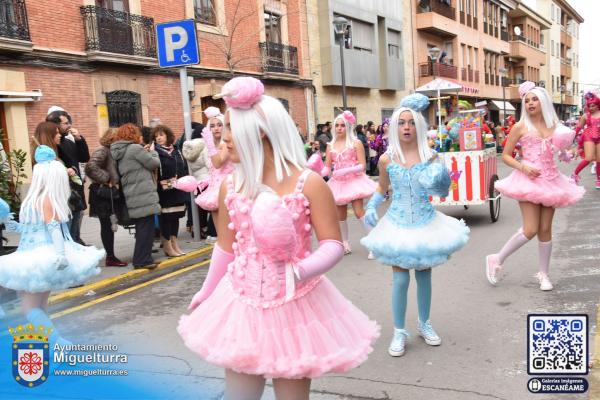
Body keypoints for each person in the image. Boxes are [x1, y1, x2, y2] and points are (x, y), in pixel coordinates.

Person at [178, 76, 379, 399]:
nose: (223, 137)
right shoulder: (231, 185)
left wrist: (299, 271)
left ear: (258, 130)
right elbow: (227, 248)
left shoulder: (310, 183)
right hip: (242, 304)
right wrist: (208, 289)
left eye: (229, 127)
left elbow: (332, 244)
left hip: (295, 306)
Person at [361, 93, 469, 357]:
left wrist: (443, 180)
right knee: (399, 279)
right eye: (401, 122)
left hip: (425, 222)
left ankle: (424, 323)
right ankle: (399, 331)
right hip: (397, 224)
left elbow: (442, 191)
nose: (406, 127)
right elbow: (382, 188)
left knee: (424, 276)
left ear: (418, 126)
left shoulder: (430, 156)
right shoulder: (387, 159)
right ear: (395, 127)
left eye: (411, 122)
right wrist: (371, 205)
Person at [486, 82, 585, 291]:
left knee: (545, 229)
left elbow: (560, 151)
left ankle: (544, 274)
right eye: (527, 100)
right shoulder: (520, 127)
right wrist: (523, 167)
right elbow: (505, 156)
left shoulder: (555, 126)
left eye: (534, 99)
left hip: (551, 180)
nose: (530, 103)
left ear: (543, 101)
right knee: (530, 229)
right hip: (527, 180)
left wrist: (568, 154)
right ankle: (496, 258)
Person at [0, 145, 104, 345]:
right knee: (36, 308)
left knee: (30, 308)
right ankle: (54, 345)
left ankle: (58, 344)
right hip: (43, 257)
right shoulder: (47, 200)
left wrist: (59, 254)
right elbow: (50, 229)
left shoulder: (31, 200)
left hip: (34, 258)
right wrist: (60, 254)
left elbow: (46, 229)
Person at [322, 111, 377, 257]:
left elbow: (362, 165)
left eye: (342, 125)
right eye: (337, 125)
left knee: (359, 212)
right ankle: (345, 243)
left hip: (354, 181)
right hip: (338, 184)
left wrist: (345, 170)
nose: (339, 128)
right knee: (341, 215)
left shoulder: (356, 143)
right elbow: (327, 167)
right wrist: (317, 171)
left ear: (347, 127)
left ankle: (373, 243)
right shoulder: (330, 145)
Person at [111, 124, 161, 269]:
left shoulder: (122, 151)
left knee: (142, 228)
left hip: (133, 193)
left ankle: (143, 258)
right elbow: (153, 163)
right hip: (143, 193)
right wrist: (153, 152)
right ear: (132, 135)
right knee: (146, 228)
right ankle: (142, 260)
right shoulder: (134, 148)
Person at [46, 109, 90, 246]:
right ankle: (71, 242)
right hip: (65, 189)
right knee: (70, 216)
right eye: (65, 123)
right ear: (55, 125)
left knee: (79, 213)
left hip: (76, 186)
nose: (69, 125)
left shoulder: (69, 142)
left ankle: (76, 239)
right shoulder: (50, 145)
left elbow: (84, 158)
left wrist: (79, 140)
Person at [85, 128, 127, 267]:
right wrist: (107, 178)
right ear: (112, 138)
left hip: (108, 192)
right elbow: (90, 167)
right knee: (107, 225)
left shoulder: (112, 151)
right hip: (102, 193)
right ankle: (110, 257)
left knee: (109, 224)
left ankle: (111, 256)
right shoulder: (103, 150)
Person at [194, 107, 235, 241]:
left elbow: (218, 163)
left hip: (228, 190)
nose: (216, 128)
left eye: (219, 125)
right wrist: (205, 181)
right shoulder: (211, 147)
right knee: (221, 236)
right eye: (212, 126)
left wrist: (210, 144)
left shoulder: (226, 144)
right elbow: (214, 170)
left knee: (230, 234)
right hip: (215, 191)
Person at [153, 125, 188, 257]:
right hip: (164, 191)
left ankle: (174, 242)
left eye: (161, 135)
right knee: (166, 218)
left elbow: (183, 167)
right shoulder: (155, 151)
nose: (159, 138)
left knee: (176, 216)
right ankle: (167, 245)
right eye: (156, 136)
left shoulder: (176, 150)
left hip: (177, 189)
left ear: (167, 135)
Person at [182, 123, 216, 240]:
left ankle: (199, 229)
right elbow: (210, 164)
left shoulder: (189, 149)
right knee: (212, 208)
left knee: (200, 208)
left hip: (197, 182)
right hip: (207, 181)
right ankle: (211, 231)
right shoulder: (205, 146)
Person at [571, 90, 600, 188]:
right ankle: (574, 174)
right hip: (589, 137)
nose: (591, 108)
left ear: (597, 105)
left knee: (599, 160)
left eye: (593, 105)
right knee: (589, 158)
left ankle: (598, 180)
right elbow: (578, 128)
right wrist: (571, 138)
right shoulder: (585, 116)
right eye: (589, 106)